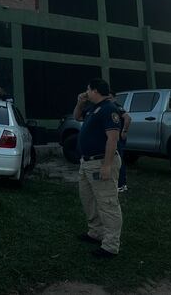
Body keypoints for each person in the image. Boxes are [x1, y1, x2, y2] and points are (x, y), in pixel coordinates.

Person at [73, 78, 123, 258]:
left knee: (107, 203)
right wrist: (80, 102)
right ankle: (96, 232)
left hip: (100, 162)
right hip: (86, 163)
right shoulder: (93, 108)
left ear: (94, 90)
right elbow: (76, 116)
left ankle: (110, 245)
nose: (86, 92)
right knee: (88, 198)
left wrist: (107, 166)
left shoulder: (109, 109)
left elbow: (112, 139)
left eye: (87, 89)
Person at [110, 92, 132, 192]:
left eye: (110, 97)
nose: (109, 99)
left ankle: (121, 184)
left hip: (119, 137)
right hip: (114, 137)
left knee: (118, 160)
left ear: (115, 98)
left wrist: (124, 131)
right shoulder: (110, 107)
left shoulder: (117, 107)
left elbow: (128, 118)